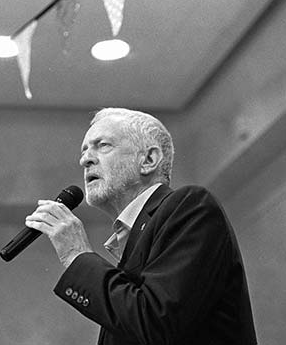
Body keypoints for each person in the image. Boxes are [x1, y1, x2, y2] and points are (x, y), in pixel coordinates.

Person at [25, 108, 257, 345]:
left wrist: (76, 254)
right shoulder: (135, 240)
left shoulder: (190, 207)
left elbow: (154, 323)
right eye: (84, 150)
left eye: (102, 145)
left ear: (148, 160)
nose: (85, 159)